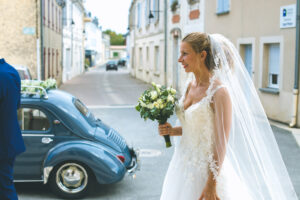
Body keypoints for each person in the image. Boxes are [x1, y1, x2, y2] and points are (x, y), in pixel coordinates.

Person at [158, 33, 298, 200]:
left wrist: (211, 183)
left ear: (202, 55)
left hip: (206, 171)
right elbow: (195, 127)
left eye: (185, 53)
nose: (179, 59)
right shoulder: (189, 85)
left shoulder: (219, 92)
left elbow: (220, 141)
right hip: (181, 164)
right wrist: (172, 130)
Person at [0, 58, 26, 200]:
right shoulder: (11, 71)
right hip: (9, 140)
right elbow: (17, 105)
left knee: (5, 189)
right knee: (6, 185)